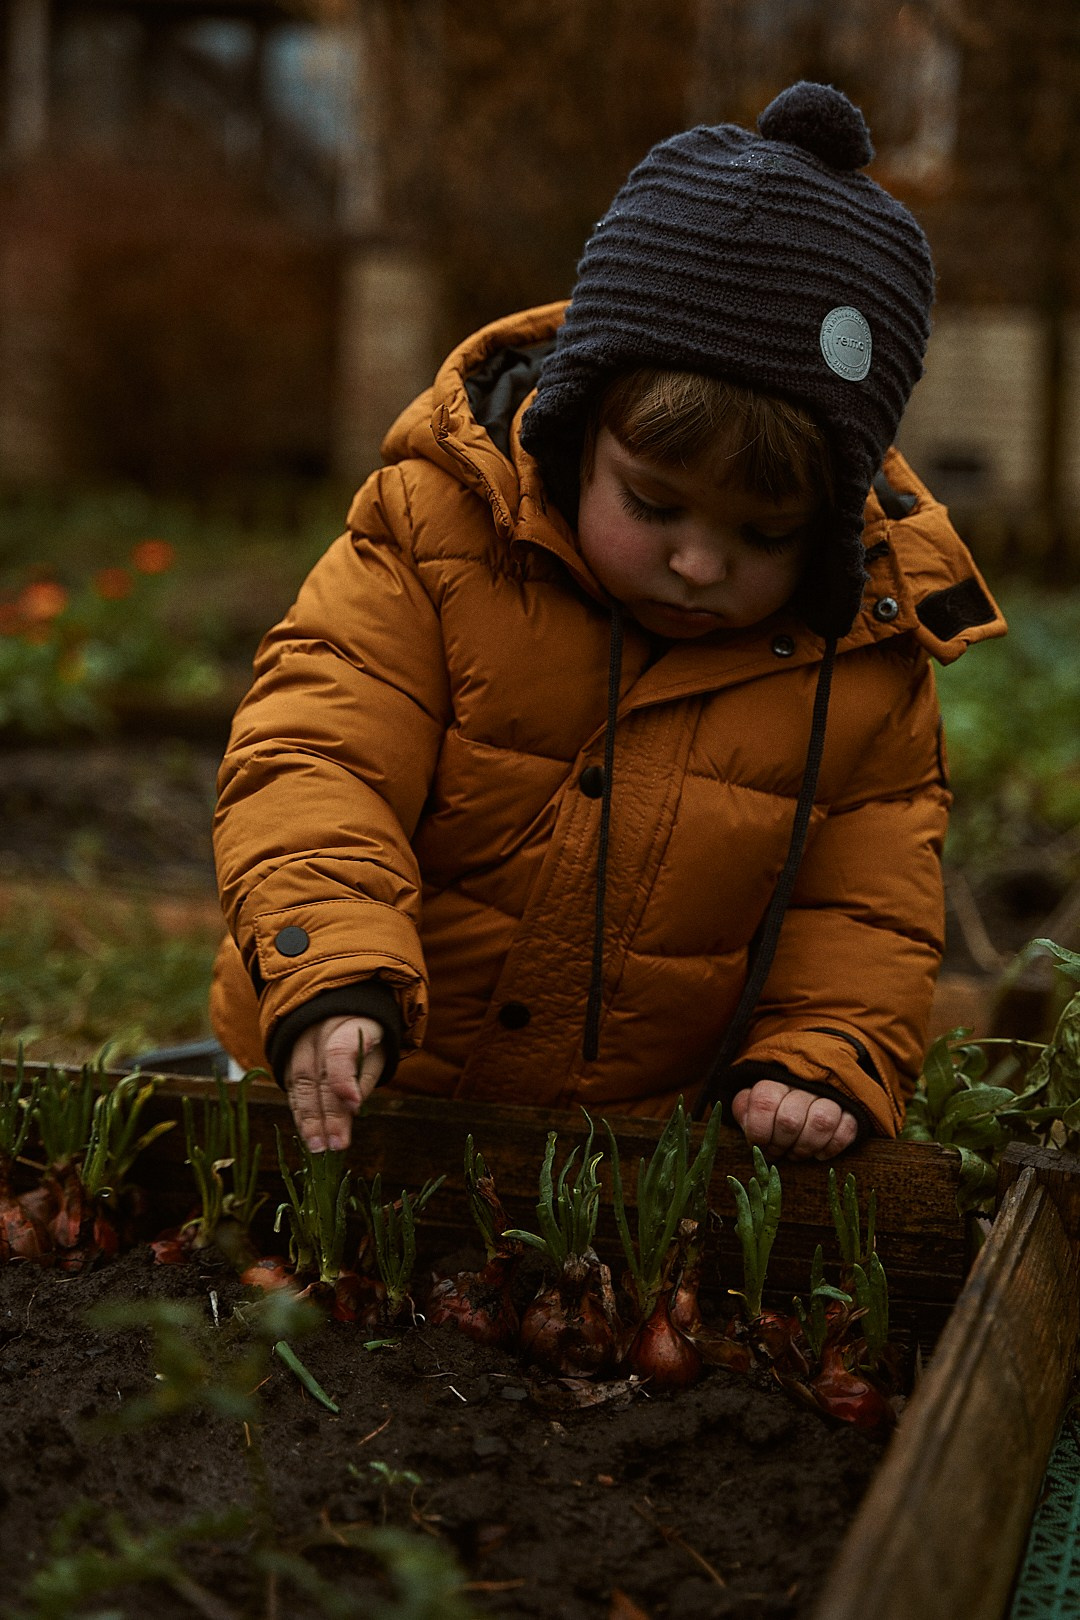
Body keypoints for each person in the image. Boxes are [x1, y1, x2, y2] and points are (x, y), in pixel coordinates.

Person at [210, 81, 1006, 1163]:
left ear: (825, 526)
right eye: (653, 504)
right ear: (577, 433)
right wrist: (332, 963)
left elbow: (864, 910)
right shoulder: (436, 539)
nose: (698, 563)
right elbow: (316, 756)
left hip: (620, 1150)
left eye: (764, 534)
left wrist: (820, 1055)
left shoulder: (862, 660)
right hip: (348, 1080)